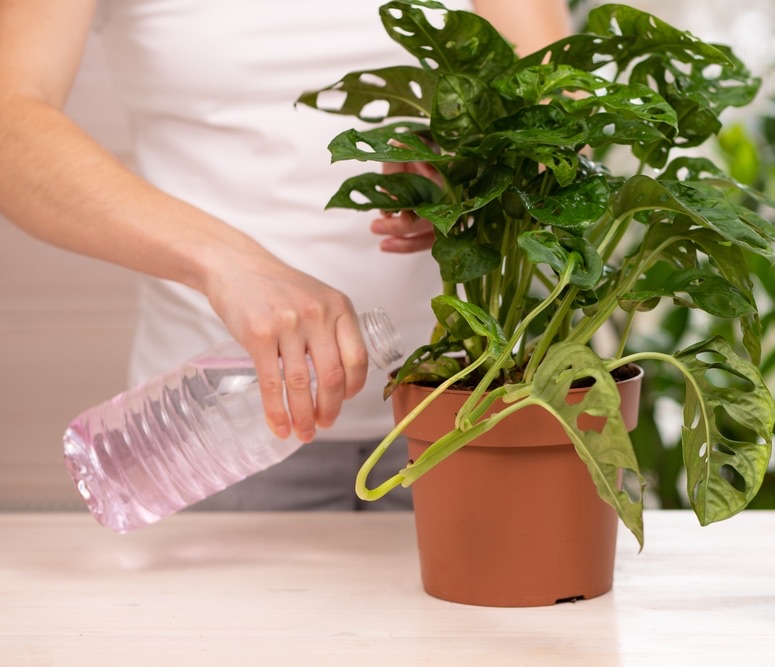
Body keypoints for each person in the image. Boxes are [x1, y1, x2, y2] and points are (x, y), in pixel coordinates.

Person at [0, 0, 571, 510]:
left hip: (479, 414)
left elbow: (562, 106)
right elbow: (12, 121)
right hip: (215, 437)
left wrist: (466, 155)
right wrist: (228, 263)